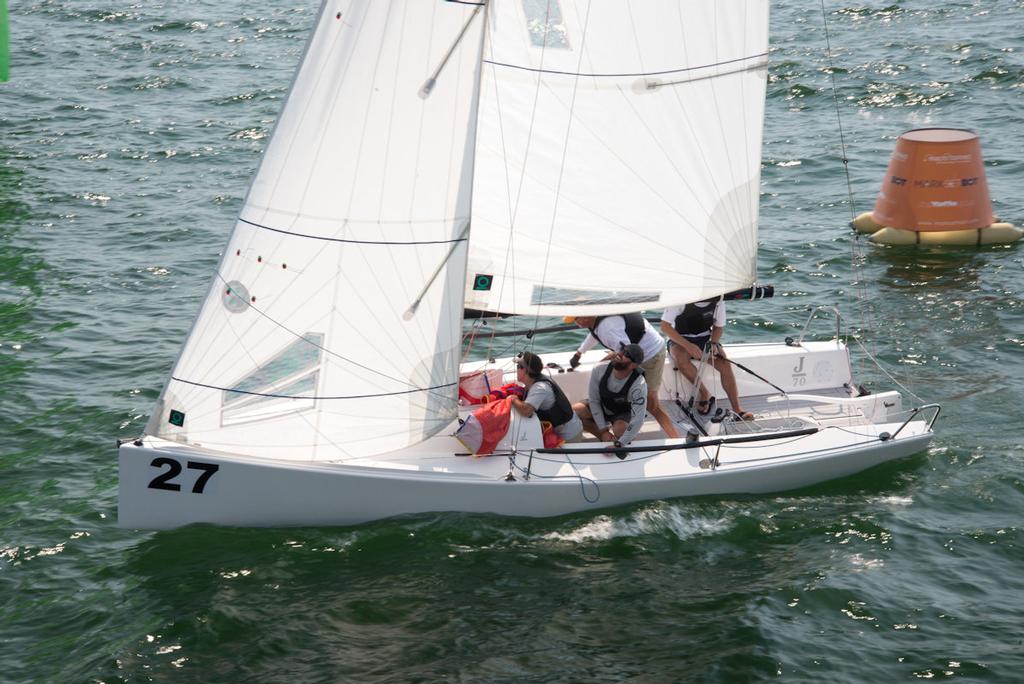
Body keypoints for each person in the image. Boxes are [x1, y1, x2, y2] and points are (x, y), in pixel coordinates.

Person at [566, 313, 680, 439]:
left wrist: (605, 364)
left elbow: (627, 349)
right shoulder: (597, 324)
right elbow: (594, 335)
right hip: (632, 353)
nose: (575, 324)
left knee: (652, 404)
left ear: (585, 317)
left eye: (575, 320)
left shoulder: (607, 329)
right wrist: (579, 353)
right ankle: (605, 434)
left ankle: (676, 438)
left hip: (651, 353)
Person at [659, 299, 753, 420]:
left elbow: (718, 326)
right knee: (681, 358)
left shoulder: (719, 301)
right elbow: (665, 327)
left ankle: (738, 409)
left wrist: (713, 343)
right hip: (679, 339)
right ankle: (704, 393)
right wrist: (688, 346)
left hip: (705, 338)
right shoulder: (680, 300)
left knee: (724, 363)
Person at [572, 344, 648, 452]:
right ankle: (604, 438)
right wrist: (603, 431)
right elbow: (594, 400)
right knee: (574, 412)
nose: (619, 354)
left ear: (634, 365)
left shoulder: (639, 384)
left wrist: (620, 444)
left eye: (626, 354)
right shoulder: (599, 369)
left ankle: (618, 442)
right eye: (621, 350)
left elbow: (638, 419)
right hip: (602, 405)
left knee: (621, 430)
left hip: (622, 413)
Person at [510, 351, 584, 443]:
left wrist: (514, 399)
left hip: (568, 436)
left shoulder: (540, 388)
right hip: (560, 431)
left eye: (518, 367)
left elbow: (526, 411)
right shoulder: (533, 382)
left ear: (525, 371)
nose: (516, 370)